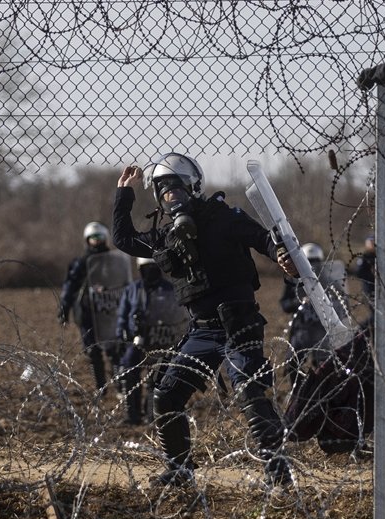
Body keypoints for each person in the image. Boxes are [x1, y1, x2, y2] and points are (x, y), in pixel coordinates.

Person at [113, 154, 297, 487]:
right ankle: (180, 470)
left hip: (239, 323)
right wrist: (124, 194)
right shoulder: (165, 236)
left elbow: (263, 239)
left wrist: (282, 255)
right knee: (166, 394)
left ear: (193, 186)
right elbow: (123, 239)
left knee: (250, 392)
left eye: (176, 187)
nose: (171, 195)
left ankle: (278, 473)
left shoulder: (224, 217)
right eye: (163, 190)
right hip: (203, 330)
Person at [59, 221, 131, 394]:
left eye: (99, 237)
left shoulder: (115, 259)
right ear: (87, 240)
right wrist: (64, 309)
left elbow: (123, 282)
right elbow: (70, 286)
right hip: (86, 312)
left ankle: (120, 386)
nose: (96, 241)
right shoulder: (81, 262)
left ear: (105, 237)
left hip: (109, 309)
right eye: (92, 238)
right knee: (93, 351)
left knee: (115, 349)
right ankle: (101, 387)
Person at [113, 257, 178, 426]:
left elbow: (177, 315)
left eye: (153, 267)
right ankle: (132, 415)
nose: (150, 271)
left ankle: (151, 415)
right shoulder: (132, 289)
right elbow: (122, 314)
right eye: (146, 267)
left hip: (160, 340)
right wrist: (121, 336)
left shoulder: (169, 289)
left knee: (156, 378)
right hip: (136, 340)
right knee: (128, 371)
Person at [279, 242, 347, 381]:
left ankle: (320, 394)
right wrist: (300, 302)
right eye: (308, 262)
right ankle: (298, 393)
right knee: (294, 365)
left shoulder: (330, 280)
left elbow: (343, 304)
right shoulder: (294, 281)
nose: (312, 266)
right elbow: (285, 305)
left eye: (315, 262)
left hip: (322, 332)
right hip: (301, 331)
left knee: (324, 367)